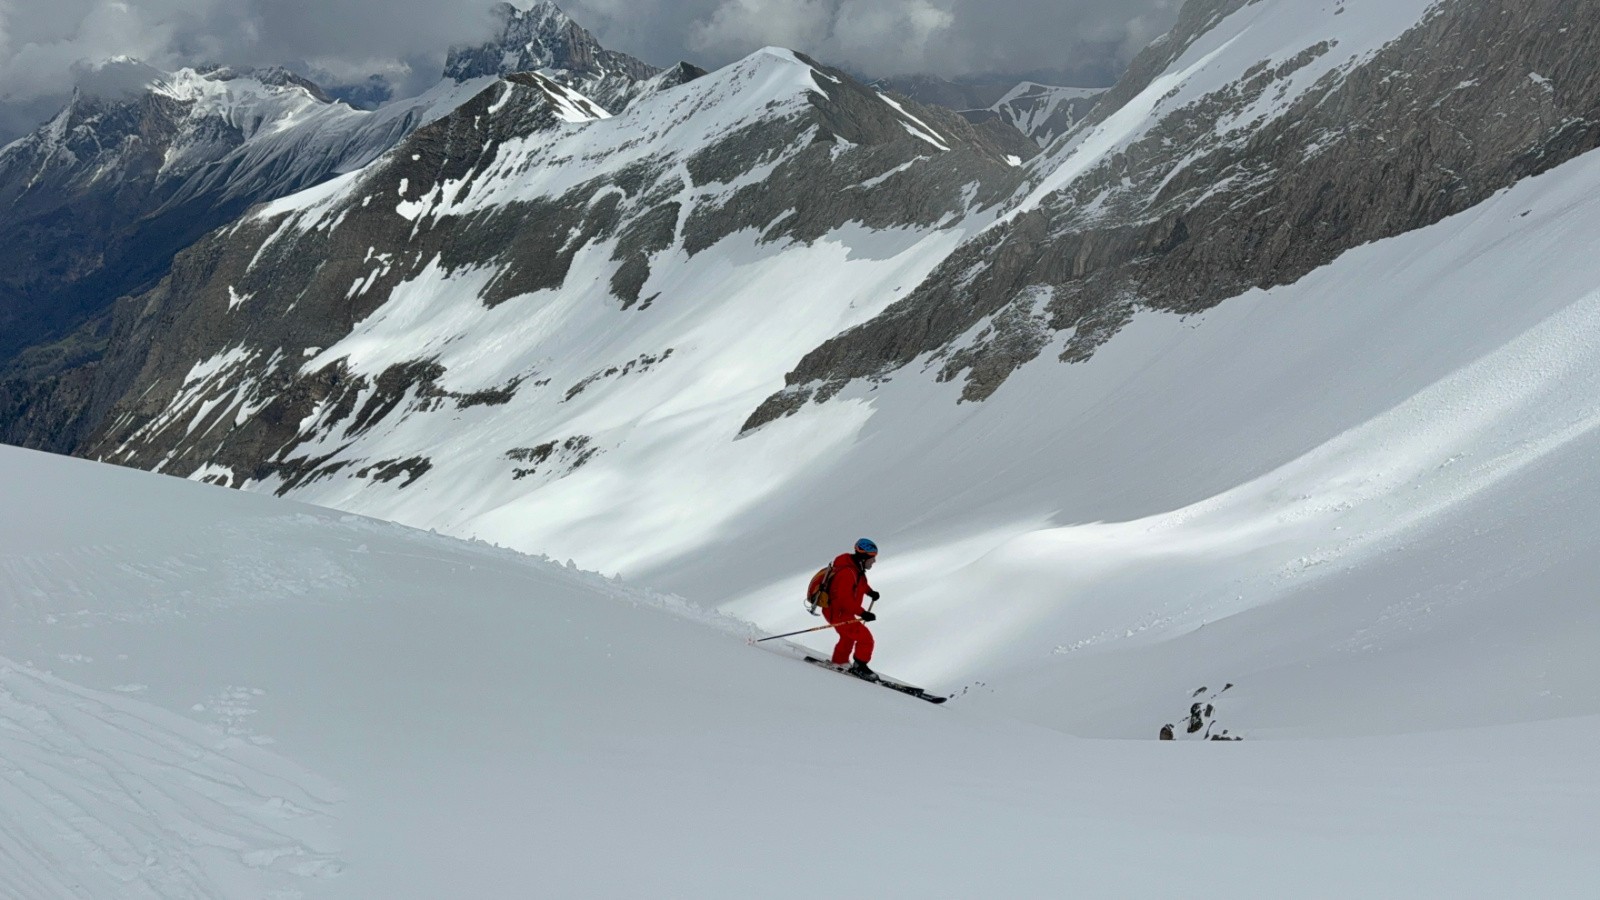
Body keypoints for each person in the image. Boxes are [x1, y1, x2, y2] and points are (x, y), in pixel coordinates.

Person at [824, 538, 883, 680]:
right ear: (864, 558)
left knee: (847, 637)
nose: (874, 561)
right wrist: (863, 613)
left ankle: (840, 661)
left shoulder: (856, 569)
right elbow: (845, 600)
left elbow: (860, 585)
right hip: (839, 613)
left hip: (839, 612)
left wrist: (870, 592)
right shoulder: (848, 573)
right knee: (866, 639)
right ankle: (860, 667)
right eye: (872, 558)